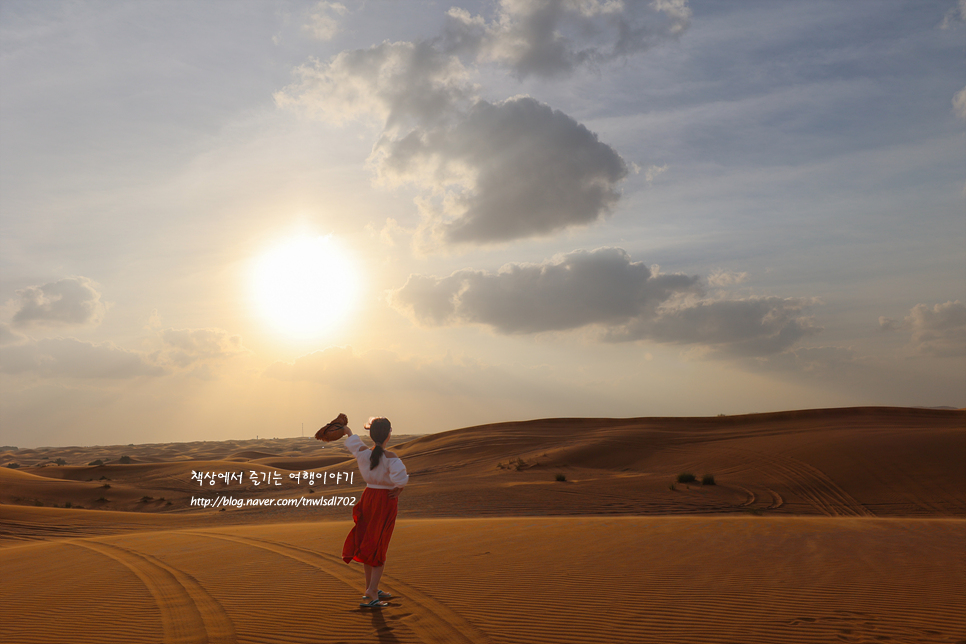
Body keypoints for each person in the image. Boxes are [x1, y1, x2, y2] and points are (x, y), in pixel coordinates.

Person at [339, 417, 408, 608]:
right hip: (385, 501)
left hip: (368, 497)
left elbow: (354, 444)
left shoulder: (363, 453)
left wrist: (347, 430)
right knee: (379, 544)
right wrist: (400, 489)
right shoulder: (392, 457)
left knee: (369, 541)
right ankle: (371, 591)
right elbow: (400, 479)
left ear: (371, 435)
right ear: (388, 435)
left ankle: (372, 587)